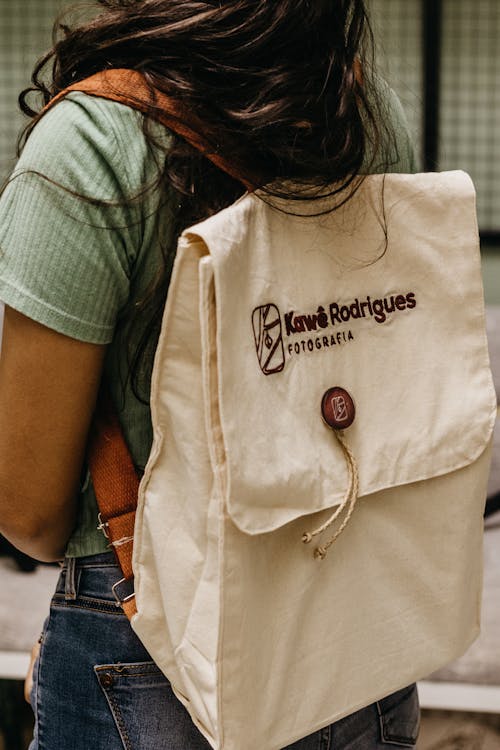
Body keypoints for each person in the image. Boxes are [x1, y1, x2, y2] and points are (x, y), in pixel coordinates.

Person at [0, 1, 420, 748]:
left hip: (147, 645)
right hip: (355, 623)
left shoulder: (96, 141)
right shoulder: (357, 111)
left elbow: (26, 510)